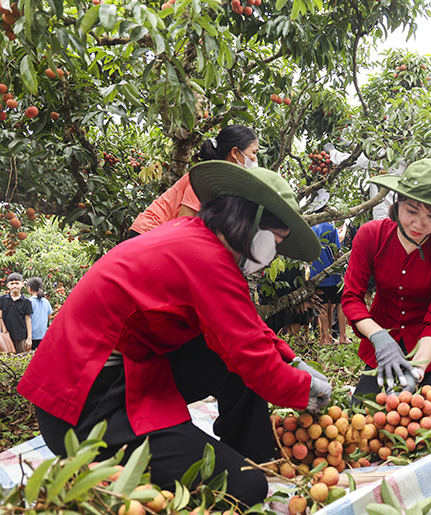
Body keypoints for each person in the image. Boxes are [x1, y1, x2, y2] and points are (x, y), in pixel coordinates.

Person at [18, 162, 331, 509]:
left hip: (119, 374)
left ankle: (256, 458)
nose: (273, 252)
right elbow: (249, 355)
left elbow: (246, 326)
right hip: (87, 407)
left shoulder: (196, 239)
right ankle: (248, 475)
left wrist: (292, 360)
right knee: (244, 488)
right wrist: (301, 389)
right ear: (251, 222)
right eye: (275, 240)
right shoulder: (206, 260)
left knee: (230, 366)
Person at [342, 158, 431, 435]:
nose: (419, 223)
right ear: (397, 203)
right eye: (412, 210)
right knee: (366, 418)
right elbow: (352, 298)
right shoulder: (370, 236)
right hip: (385, 338)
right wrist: (379, 337)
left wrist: (417, 370)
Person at [128, 125, 259, 237]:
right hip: (149, 232)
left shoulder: (223, 182)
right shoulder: (207, 177)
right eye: (254, 152)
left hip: (158, 235)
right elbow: (183, 224)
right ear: (235, 152)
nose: (255, 159)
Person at [309, 190, 349, 345]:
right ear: (325, 210)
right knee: (339, 303)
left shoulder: (311, 229)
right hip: (332, 272)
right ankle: (343, 337)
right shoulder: (330, 228)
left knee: (324, 305)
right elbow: (336, 251)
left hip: (317, 273)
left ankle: (325, 338)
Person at [0, 272, 33, 354]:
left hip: (20, 336)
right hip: (5, 336)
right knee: (6, 359)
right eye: (12, 283)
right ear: (8, 285)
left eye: (17, 283)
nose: (14, 286)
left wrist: (29, 338)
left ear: (22, 284)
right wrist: (4, 331)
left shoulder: (26, 302)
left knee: (20, 358)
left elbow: (28, 319)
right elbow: (0, 317)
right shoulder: (2, 299)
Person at [26, 277, 53, 350]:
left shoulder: (28, 302)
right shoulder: (46, 301)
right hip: (43, 334)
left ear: (29, 288)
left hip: (31, 336)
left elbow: (26, 318)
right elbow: (49, 316)